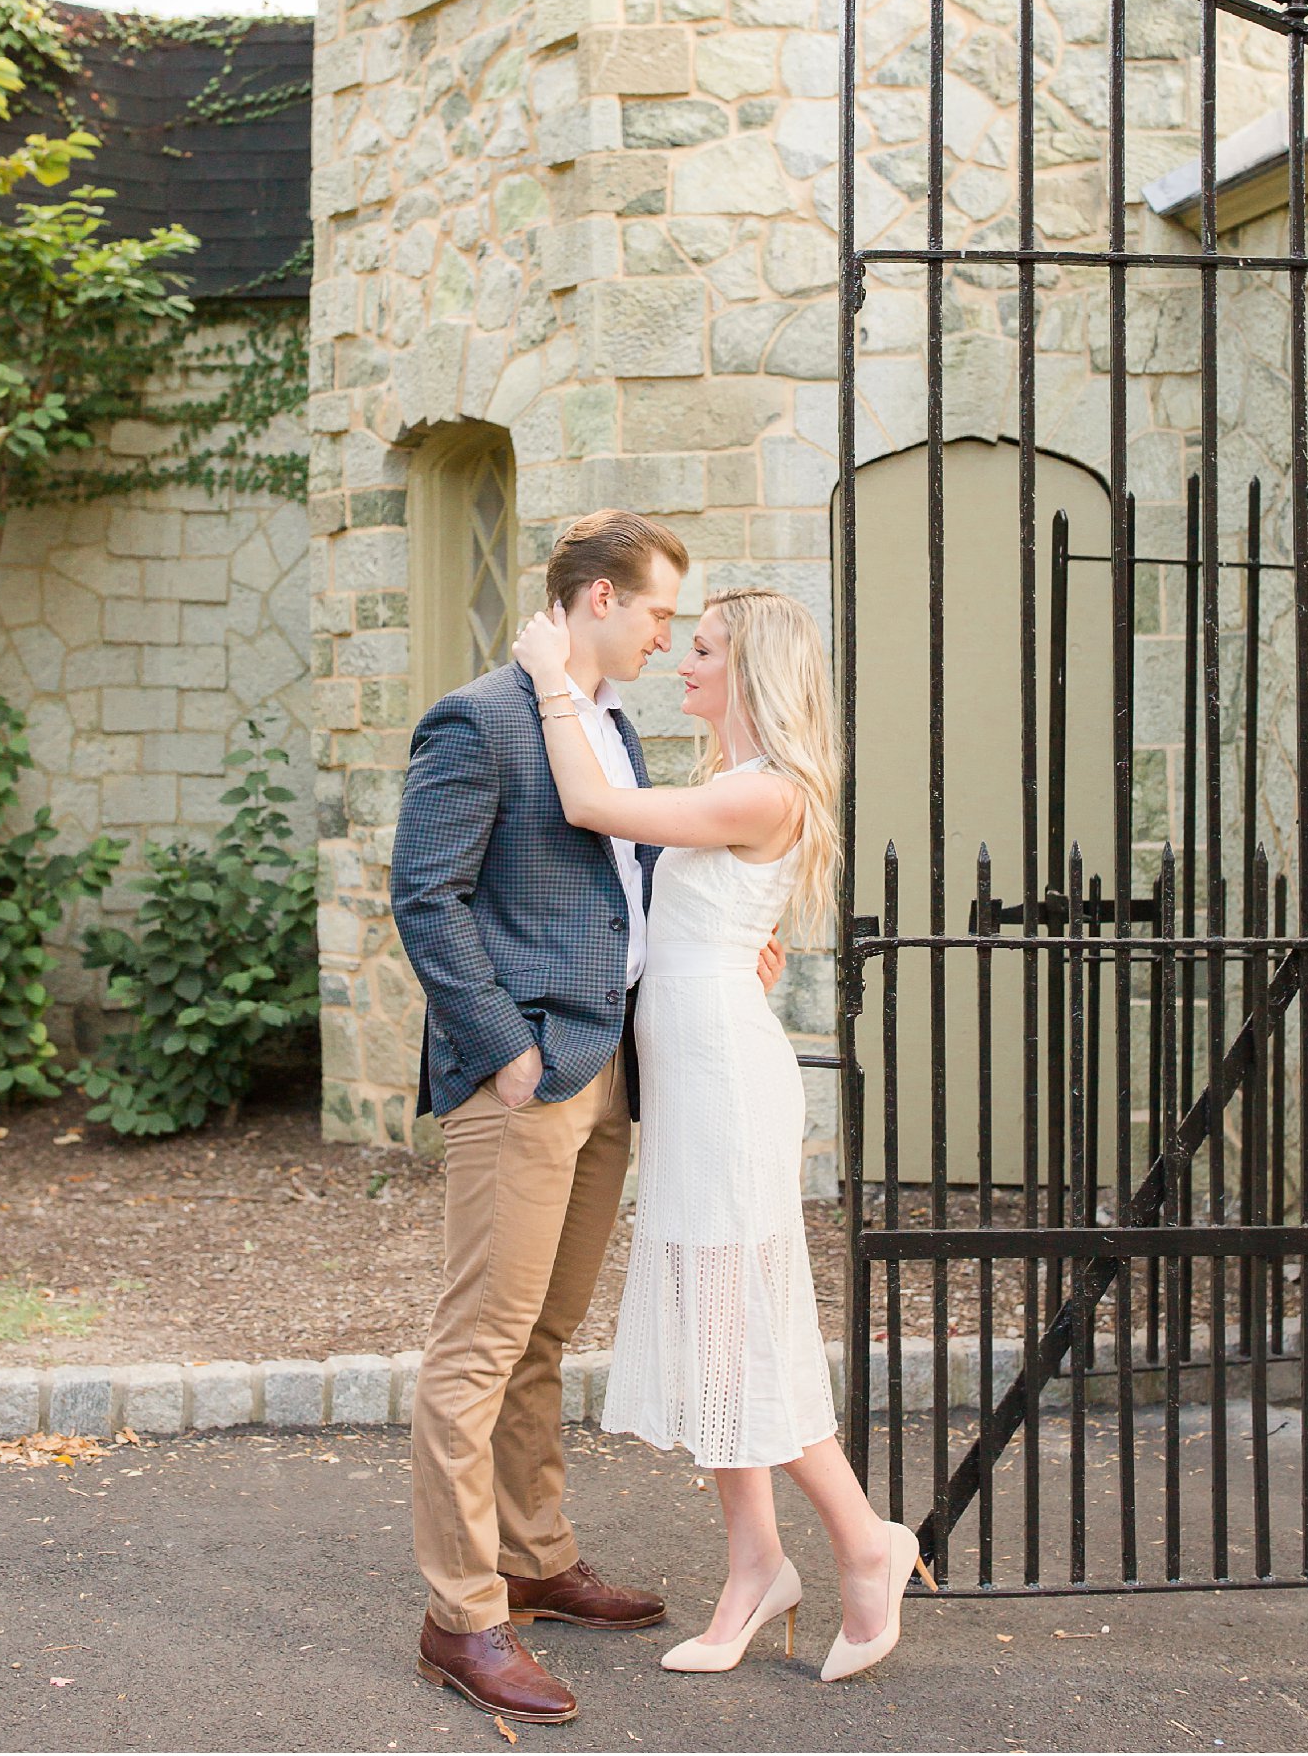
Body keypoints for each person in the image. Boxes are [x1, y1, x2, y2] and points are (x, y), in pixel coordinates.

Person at [390, 511, 784, 1727]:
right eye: (659, 611)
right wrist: (502, 1051)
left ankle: (536, 1556)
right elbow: (425, 895)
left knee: (545, 1338)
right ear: (600, 597)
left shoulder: (604, 722)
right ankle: (462, 1617)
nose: (668, 635)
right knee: (479, 1347)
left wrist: (726, 940)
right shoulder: (481, 717)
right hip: (524, 1077)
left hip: (607, 1068)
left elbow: (615, 882)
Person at [512, 585, 936, 1686]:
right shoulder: (728, 783)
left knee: (742, 1329)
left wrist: (554, 679)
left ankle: (862, 1544)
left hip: (728, 1087)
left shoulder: (767, 792)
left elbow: (594, 807)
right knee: (713, 1332)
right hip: (693, 1078)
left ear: (750, 673)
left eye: (701, 651)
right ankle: (754, 1565)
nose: (682, 663)